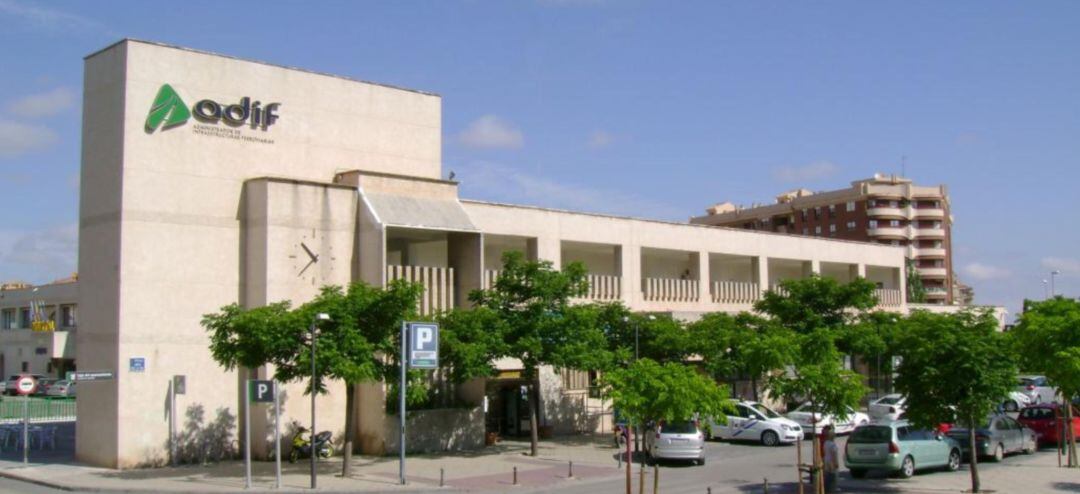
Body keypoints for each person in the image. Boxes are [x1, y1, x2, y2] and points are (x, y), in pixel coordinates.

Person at [822, 425, 840, 493]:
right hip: (831, 464)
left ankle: (827, 490)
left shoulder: (826, 443)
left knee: (827, 478)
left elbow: (825, 452)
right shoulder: (833, 445)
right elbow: (834, 455)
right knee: (833, 479)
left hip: (826, 461)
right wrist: (836, 464)